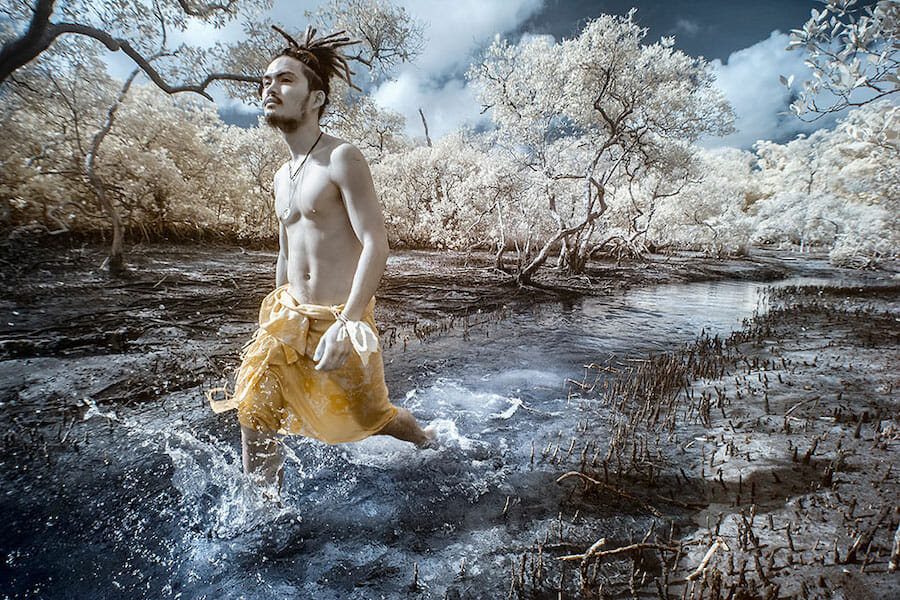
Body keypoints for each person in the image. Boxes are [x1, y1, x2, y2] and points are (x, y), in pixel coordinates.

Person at [211, 26, 432, 494]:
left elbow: (377, 244)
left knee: (374, 418)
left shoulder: (341, 158)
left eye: (285, 80)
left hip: (340, 317)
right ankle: (264, 511)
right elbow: (286, 251)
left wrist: (349, 323)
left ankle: (427, 441)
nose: (270, 88)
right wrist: (270, 319)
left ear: (316, 99)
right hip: (289, 317)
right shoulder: (279, 176)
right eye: (266, 81)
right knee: (253, 405)